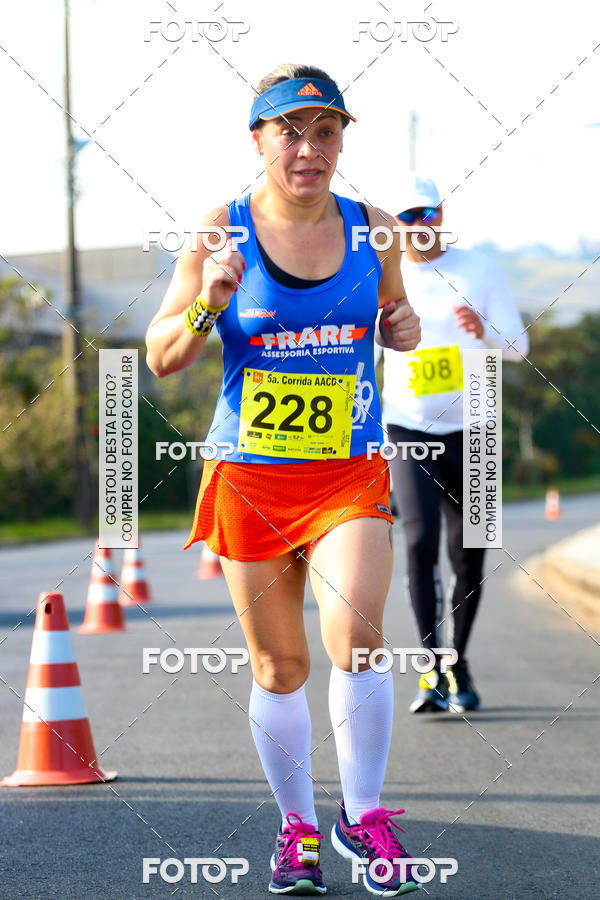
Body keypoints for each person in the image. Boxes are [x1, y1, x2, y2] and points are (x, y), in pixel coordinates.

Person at [146, 64, 422, 896]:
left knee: (358, 636)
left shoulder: (376, 231)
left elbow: (397, 321)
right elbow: (162, 356)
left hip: (347, 471)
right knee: (279, 667)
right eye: (290, 131)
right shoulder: (219, 229)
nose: (308, 149)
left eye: (325, 131)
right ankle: (296, 830)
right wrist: (209, 302)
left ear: (341, 140)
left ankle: (362, 819)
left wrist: (403, 328)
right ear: (258, 139)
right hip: (252, 477)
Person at [376, 174, 529, 714]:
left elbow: (518, 345)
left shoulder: (479, 269)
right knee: (419, 544)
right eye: (407, 217)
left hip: (476, 428)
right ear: (393, 224)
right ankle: (430, 670)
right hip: (407, 428)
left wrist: (482, 329)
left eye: (428, 212)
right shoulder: (382, 274)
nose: (420, 225)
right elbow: (359, 348)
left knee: (469, 555)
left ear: (442, 212)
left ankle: (457, 662)